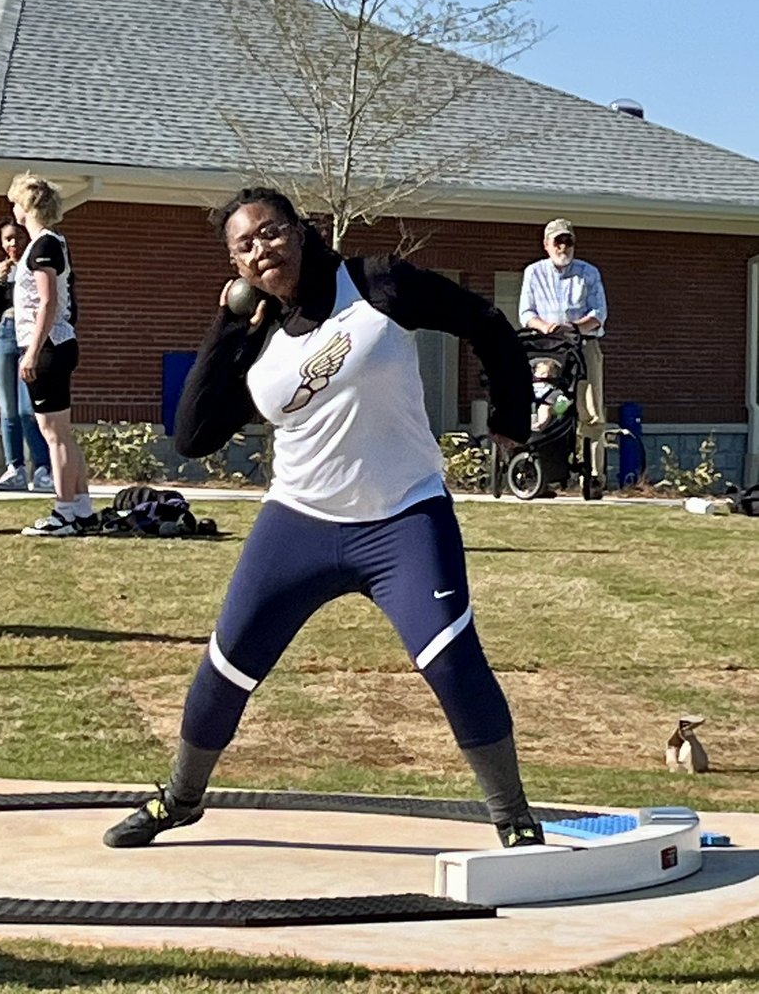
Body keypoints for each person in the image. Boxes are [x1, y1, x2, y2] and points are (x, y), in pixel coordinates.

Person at [104, 186, 545, 852]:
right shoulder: (257, 336)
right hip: (299, 523)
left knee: (453, 662)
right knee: (227, 667)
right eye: (245, 246)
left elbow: (484, 322)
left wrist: (510, 416)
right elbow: (192, 434)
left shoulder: (376, 284)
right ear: (236, 266)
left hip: (404, 517)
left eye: (271, 232)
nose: (262, 249)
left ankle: (513, 817)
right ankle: (181, 798)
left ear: (301, 230)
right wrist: (227, 324)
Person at [6, 173, 95, 537]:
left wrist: (32, 352)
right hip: (55, 345)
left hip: (49, 346)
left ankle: (64, 512)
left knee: (53, 433)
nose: (13, 210)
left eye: (15, 203)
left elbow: (48, 302)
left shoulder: (45, 245)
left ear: (27, 207)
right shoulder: (46, 244)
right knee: (61, 432)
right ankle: (82, 508)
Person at [518, 219, 608, 492]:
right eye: (558, 241)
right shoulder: (534, 272)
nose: (563, 247)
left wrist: (574, 327)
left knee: (590, 412)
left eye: (568, 241)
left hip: (582, 345)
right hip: (546, 348)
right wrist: (545, 327)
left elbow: (599, 313)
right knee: (548, 403)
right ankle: (541, 470)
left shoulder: (588, 273)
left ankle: (594, 477)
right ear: (546, 244)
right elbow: (526, 313)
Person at [0, 217, 54, 493]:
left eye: (18, 238)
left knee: (27, 409)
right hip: (3, 337)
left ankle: (43, 468)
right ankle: (15, 469)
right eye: (7, 239)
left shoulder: (37, 267)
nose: (13, 244)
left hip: (28, 339)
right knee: (8, 409)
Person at [530, 357, 571, 432]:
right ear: (535, 373)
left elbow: (564, 400)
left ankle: (541, 424)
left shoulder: (555, 387)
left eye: (549, 375)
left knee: (545, 408)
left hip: (549, 399)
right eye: (542, 373)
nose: (545, 376)